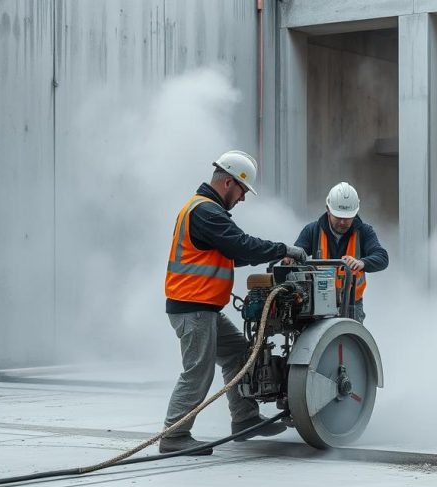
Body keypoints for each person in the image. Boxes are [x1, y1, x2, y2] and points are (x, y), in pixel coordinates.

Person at [161, 150, 308, 455]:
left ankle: (245, 419)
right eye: (242, 191)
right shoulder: (206, 212)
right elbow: (240, 244)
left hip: (203, 308)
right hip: (193, 308)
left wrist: (273, 254)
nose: (242, 199)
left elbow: (235, 254)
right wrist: (284, 248)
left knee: (241, 354)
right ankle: (174, 435)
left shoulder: (206, 211)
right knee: (197, 371)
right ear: (228, 183)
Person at [285, 182, 389, 323]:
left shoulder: (364, 232)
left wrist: (361, 262)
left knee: (352, 342)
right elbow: (297, 254)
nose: (342, 222)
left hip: (352, 304)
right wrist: (288, 259)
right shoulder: (312, 231)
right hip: (318, 302)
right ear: (328, 209)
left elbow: (382, 258)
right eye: (338, 216)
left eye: (347, 218)